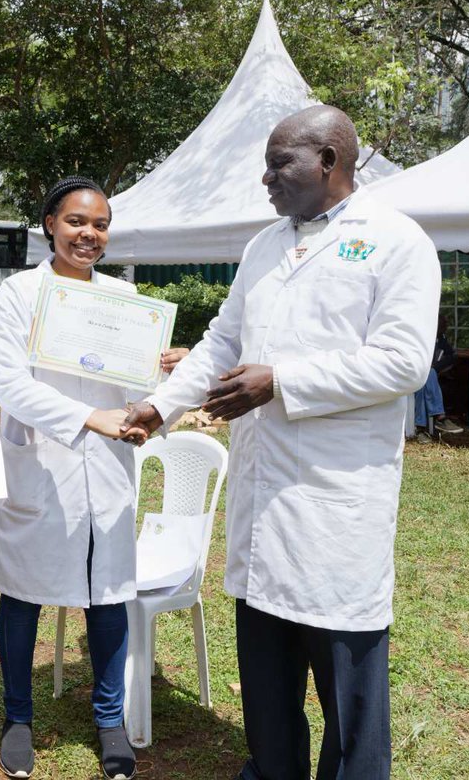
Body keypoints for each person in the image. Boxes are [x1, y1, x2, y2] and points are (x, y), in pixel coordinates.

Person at [122, 106, 440, 780]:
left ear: (328, 159)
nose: (265, 177)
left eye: (278, 162)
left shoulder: (396, 241)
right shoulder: (265, 245)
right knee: (267, 671)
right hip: (265, 494)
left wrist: (282, 382)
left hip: (336, 500)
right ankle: (273, 769)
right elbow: (221, 344)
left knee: (346, 680)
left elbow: (403, 362)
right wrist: (159, 407)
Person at [0, 176, 184, 780]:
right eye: (75, 222)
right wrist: (86, 418)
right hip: (41, 464)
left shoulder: (126, 296)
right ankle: (18, 717)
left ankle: (110, 719)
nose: (88, 235)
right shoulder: (19, 294)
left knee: (109, 595)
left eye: (99, 225)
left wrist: (165, 373)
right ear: (49, 224)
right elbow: (8, 384)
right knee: (22, 594)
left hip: (110, 468)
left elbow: (136, 388)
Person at [413, 314, 463, 442]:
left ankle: (420, 430)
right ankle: (440, 417)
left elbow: (452, 356)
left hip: (424, 377)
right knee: (429, 374)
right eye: (443, 325)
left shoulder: (440, 338)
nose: (446, 328)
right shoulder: (420, 337)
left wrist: (436, 367)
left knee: (425, 382)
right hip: (411, 371)